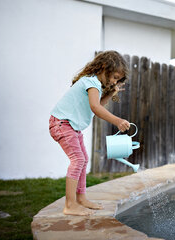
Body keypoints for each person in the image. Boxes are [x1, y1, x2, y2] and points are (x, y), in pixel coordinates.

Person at [49, 51, 130, 216]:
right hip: (62, 124)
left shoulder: (95, 84)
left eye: (117, 79)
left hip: (71, 126)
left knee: (83, 160)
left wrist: (110, 93)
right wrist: (117, 121)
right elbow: (95, 108)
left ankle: (81, 198)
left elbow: (98, 103)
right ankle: (70, 204)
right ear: (104, 67)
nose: (114, 81)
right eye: (114, 77)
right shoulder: (91, 81)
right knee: (77, 160)